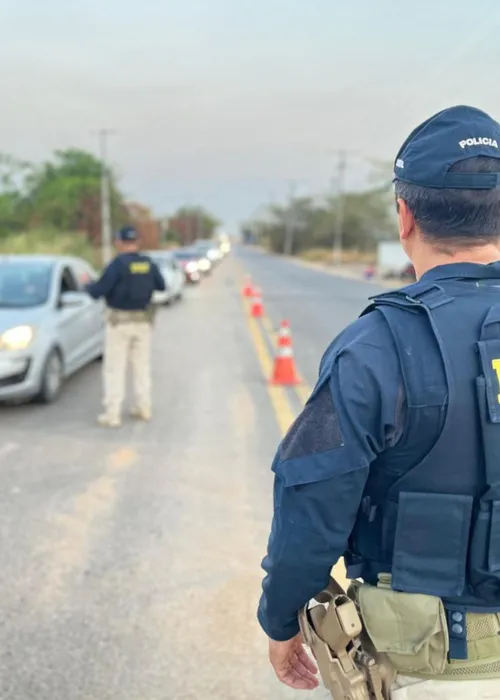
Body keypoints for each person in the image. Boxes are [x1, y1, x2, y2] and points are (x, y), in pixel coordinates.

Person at [257, 105, 500, 699]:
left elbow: (313, 502)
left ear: (404, 214)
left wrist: (282, 617)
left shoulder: (377, 346)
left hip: (436, 664)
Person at [85, 225, 165, 428]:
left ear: (119, 243)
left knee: (115, 369)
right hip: (143, 323)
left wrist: (86, 285)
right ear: (137, 242)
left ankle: (113, 414)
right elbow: (161, 285)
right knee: (141, 367)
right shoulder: (148, 264)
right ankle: (144, 407)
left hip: (119, 324)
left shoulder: (117, 265)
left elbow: (98, 291)